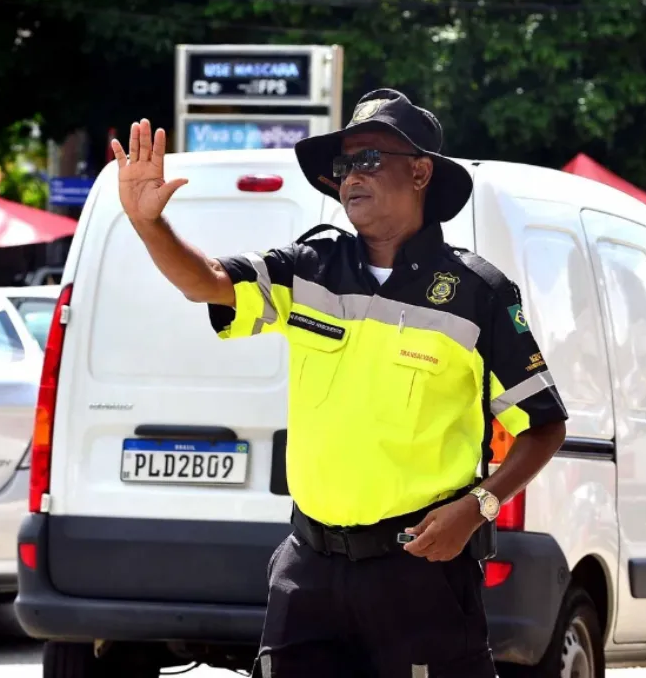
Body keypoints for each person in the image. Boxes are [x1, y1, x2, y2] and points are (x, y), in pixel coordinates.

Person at [112, 89, 568, 678]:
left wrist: (479, 508)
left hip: (420, 572)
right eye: (344, 164)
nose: (352, 175)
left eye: (370, 159)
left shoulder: (477, 292)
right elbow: (208, 282)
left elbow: (545, 424)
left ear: (421, 172)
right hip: (309, 569)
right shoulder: (309, 267)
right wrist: (151, 225)